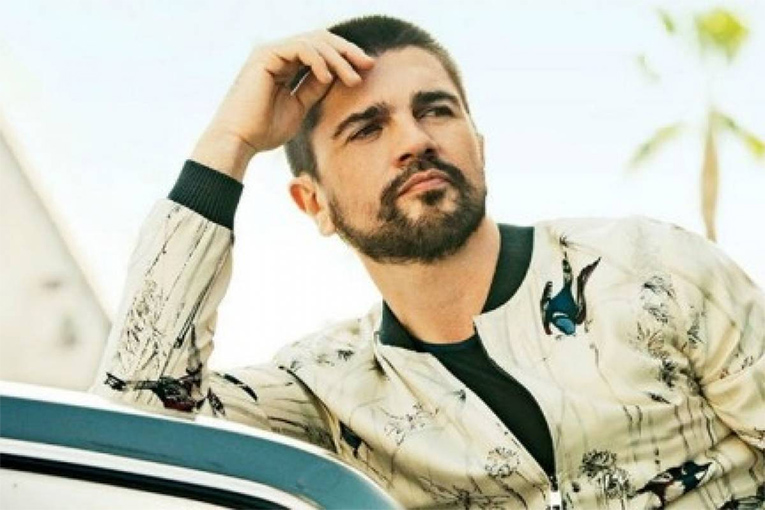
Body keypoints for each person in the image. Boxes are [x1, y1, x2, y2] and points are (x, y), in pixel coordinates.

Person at [91, 14, 765, 509]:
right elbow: (137, 420)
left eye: (435, 111)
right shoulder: (328, 393)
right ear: (314, 204)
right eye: (367, 128)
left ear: (479, 147)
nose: (413, 140)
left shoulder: (648, 269)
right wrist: (229, 140)